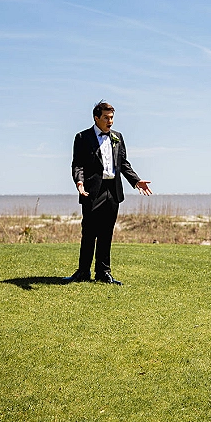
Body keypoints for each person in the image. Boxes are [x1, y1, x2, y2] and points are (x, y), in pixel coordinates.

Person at [64, 101, 152, 285]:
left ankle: (103, 273)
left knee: (106, 233)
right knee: (89, 233)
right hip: (91, 191)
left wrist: (136, 181)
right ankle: (83, 272)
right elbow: (77, 164)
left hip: (113, 191)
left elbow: (124, 164)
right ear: (96, 117)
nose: (110, 121)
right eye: (106, 118)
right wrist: (79, 182)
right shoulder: (82, 137)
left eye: (111, 118)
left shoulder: (117, 137)